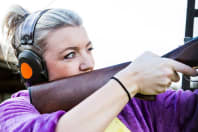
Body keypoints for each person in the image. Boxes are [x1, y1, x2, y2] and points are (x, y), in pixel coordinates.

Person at [0, 4, 198, 132]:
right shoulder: (14, 111)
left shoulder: (131, 103)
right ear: (33, 68)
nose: (88, 63)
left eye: (89, 49)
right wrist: (131, 81)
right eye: (70, 55)